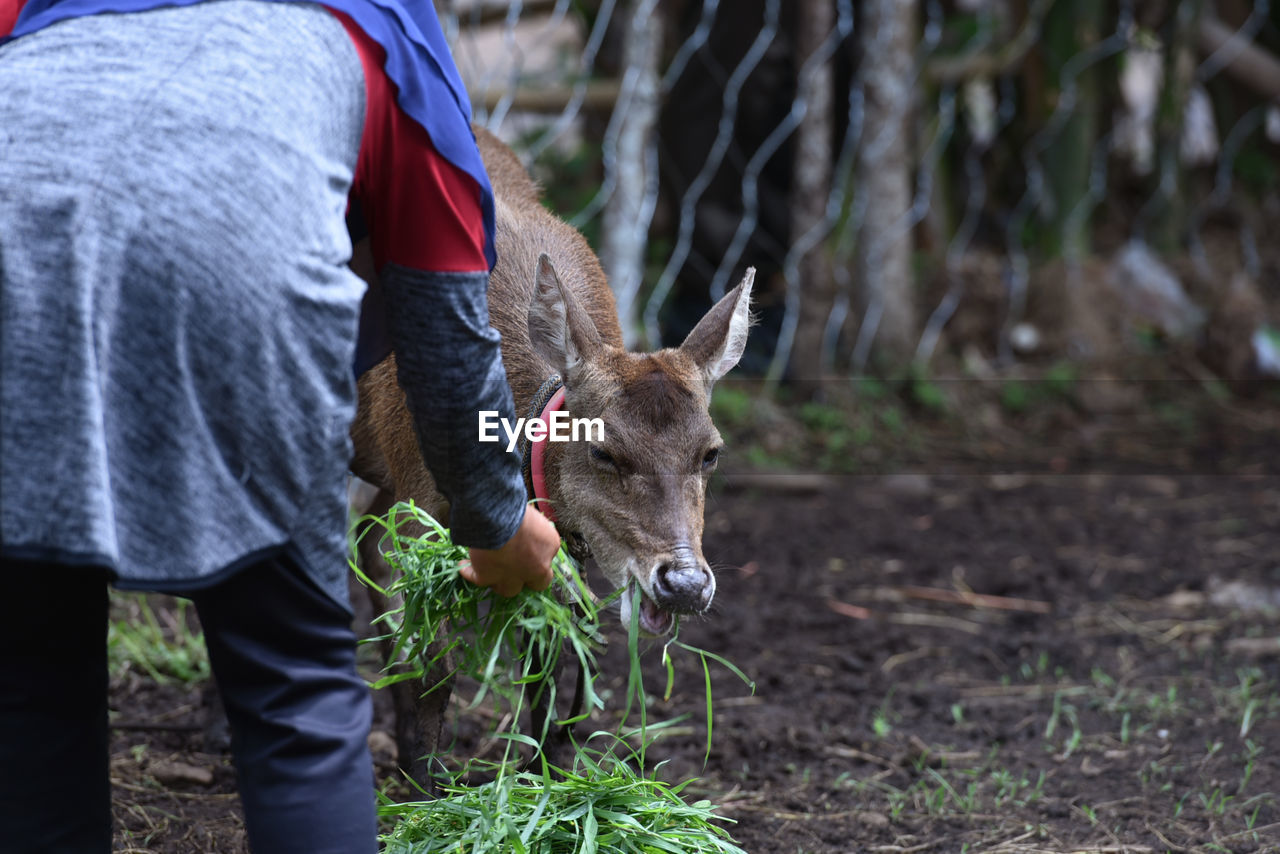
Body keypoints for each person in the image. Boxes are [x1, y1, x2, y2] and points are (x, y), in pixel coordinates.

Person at [0, 0, 562, 851]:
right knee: (293, 688)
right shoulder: (389, 28)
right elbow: (447, 340)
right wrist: (496, 524)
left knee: (31, 674)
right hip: (235, 274)